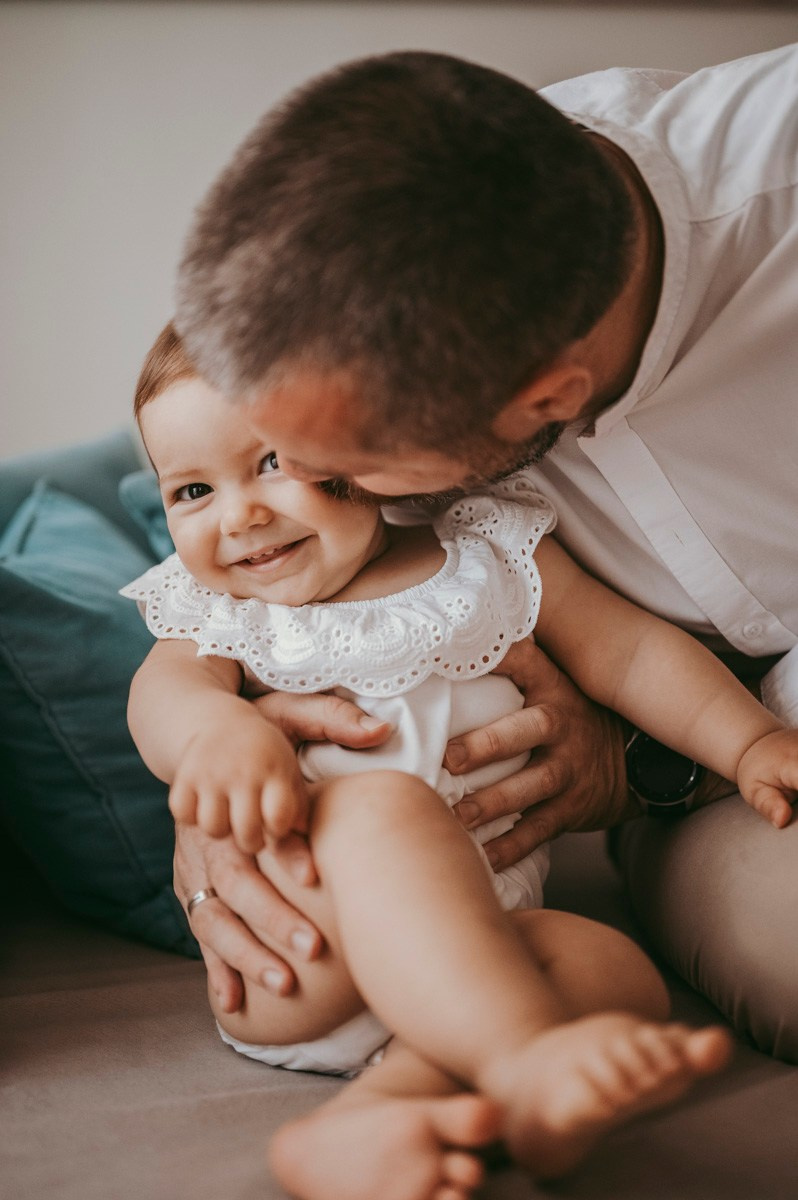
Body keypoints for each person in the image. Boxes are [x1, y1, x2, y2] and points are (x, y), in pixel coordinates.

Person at [171, 46, 798, 1062]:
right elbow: (182, 673)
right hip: (354, 906)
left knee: (597, 984)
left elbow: (628, 653)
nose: (292, 509)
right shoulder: (397, 298)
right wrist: (212, 767)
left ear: (549, 400)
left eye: (347, 478)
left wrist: (738, 746)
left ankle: (429, 1102)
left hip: (696, 786)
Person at [125, 322, 798, 1195]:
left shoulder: (488, 554)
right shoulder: (223, 613)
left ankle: (380, 1115)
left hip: (486, 942)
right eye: (190, 492)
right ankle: (522, 1061)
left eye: (269, 464)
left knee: (616, 974)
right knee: (380, 806)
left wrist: (747, 741)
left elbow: (628, 655)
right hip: (302, 950)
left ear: (359, 442)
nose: (239, 515)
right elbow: (161, 695)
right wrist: (217, 731)